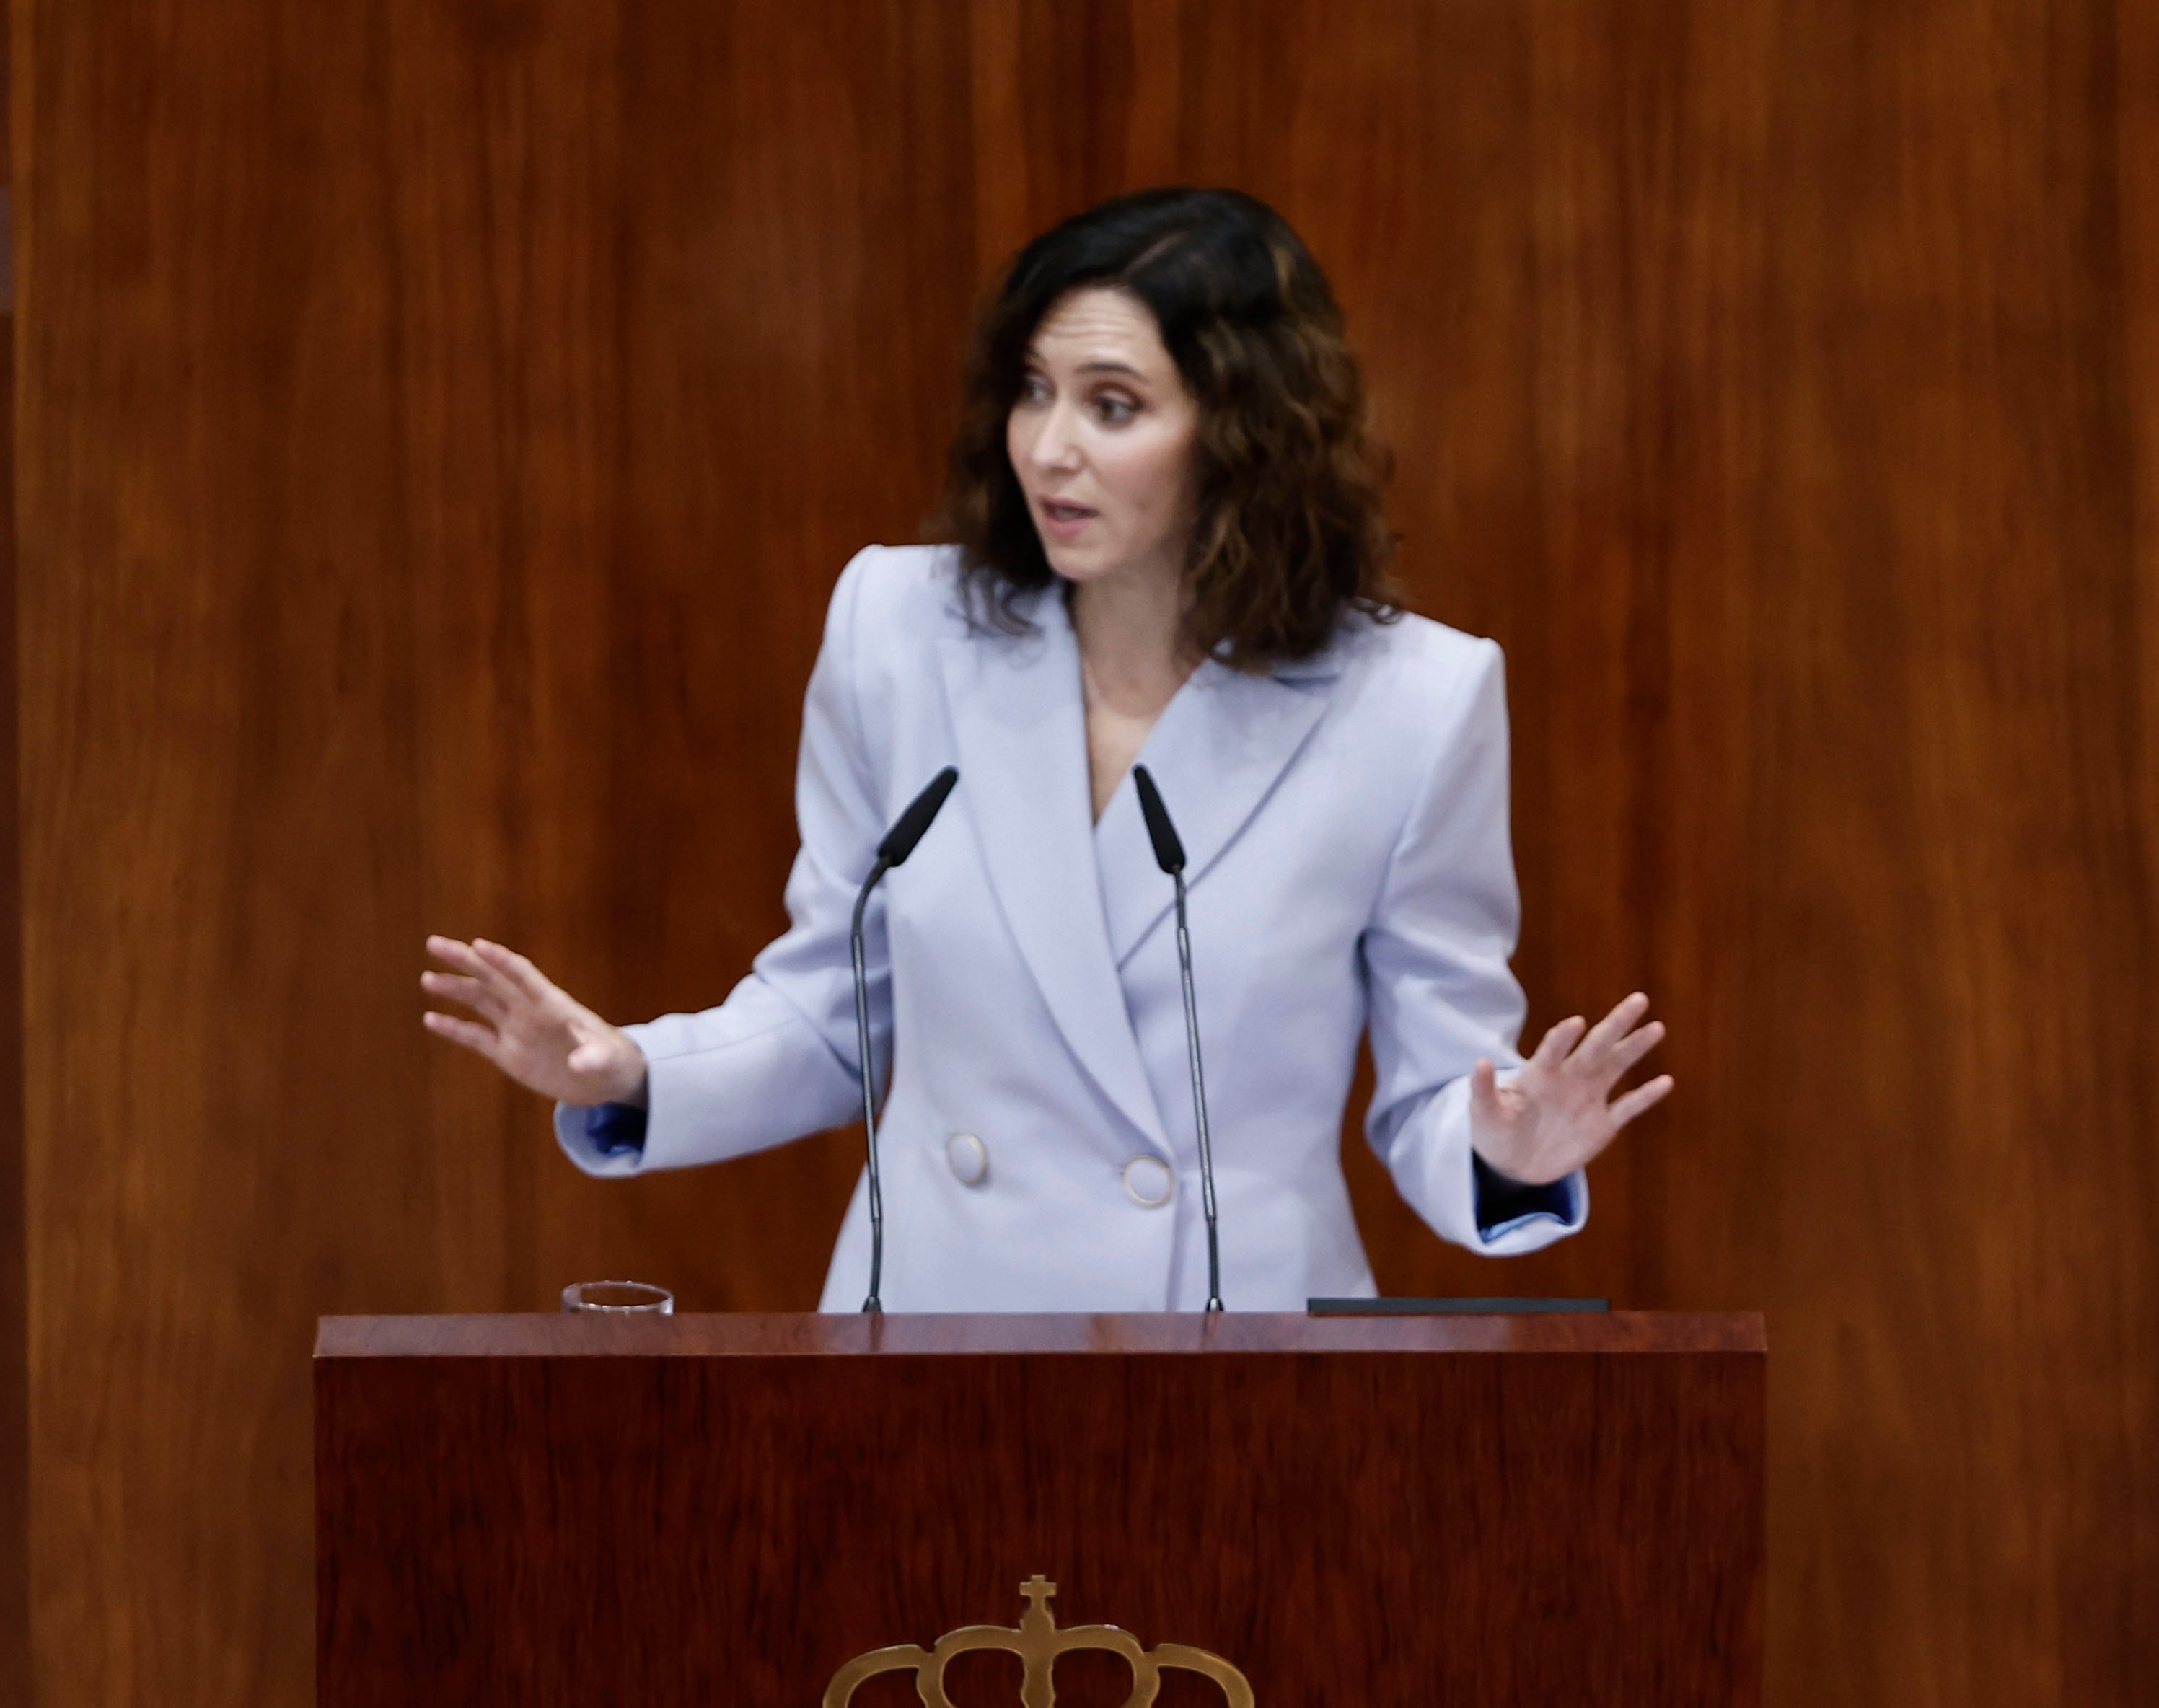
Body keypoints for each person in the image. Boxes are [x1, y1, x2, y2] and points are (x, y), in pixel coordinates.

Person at [421, 186, 1669, 1311]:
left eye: (1112, 405)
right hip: (929, 1341)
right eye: (1032, 389)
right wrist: (629, 1068)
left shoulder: (1416, 700)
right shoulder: (897, 628)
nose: (1050, 447)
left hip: (1233, 1367)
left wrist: (1509, 1151)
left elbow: (1437, 1089)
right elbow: (832, 1013)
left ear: (1242, 431)